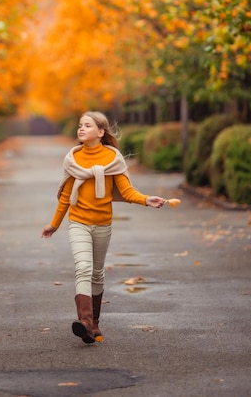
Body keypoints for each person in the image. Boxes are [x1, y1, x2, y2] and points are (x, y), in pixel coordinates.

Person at [41, 110, 166, 344]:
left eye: (87, 126)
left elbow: (127, 191)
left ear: (100, 132)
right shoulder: (73, 159)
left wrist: (146, 199)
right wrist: (54, 224)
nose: (81, 129)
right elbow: (66, 196)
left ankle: (94, 323)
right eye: (80, 125)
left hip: (102, 224)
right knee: (83, 268)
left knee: (97, 273)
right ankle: (85, 322)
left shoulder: (113, 158)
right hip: (78, 222)